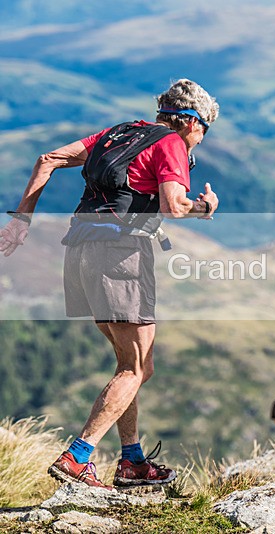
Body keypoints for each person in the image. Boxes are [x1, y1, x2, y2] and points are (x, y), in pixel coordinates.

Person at [0, 79, 220, 490]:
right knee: (136, 366)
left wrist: (21, 219)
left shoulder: (117, 133)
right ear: (193, 122)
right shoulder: (172, 141)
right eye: (203, 134)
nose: (198, 144)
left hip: (80, 249)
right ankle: (78, 456)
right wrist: (206, 207)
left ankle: (132, 460)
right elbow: (174, 205)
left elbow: (47, 159)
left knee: (133, 365)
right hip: (121, 253)